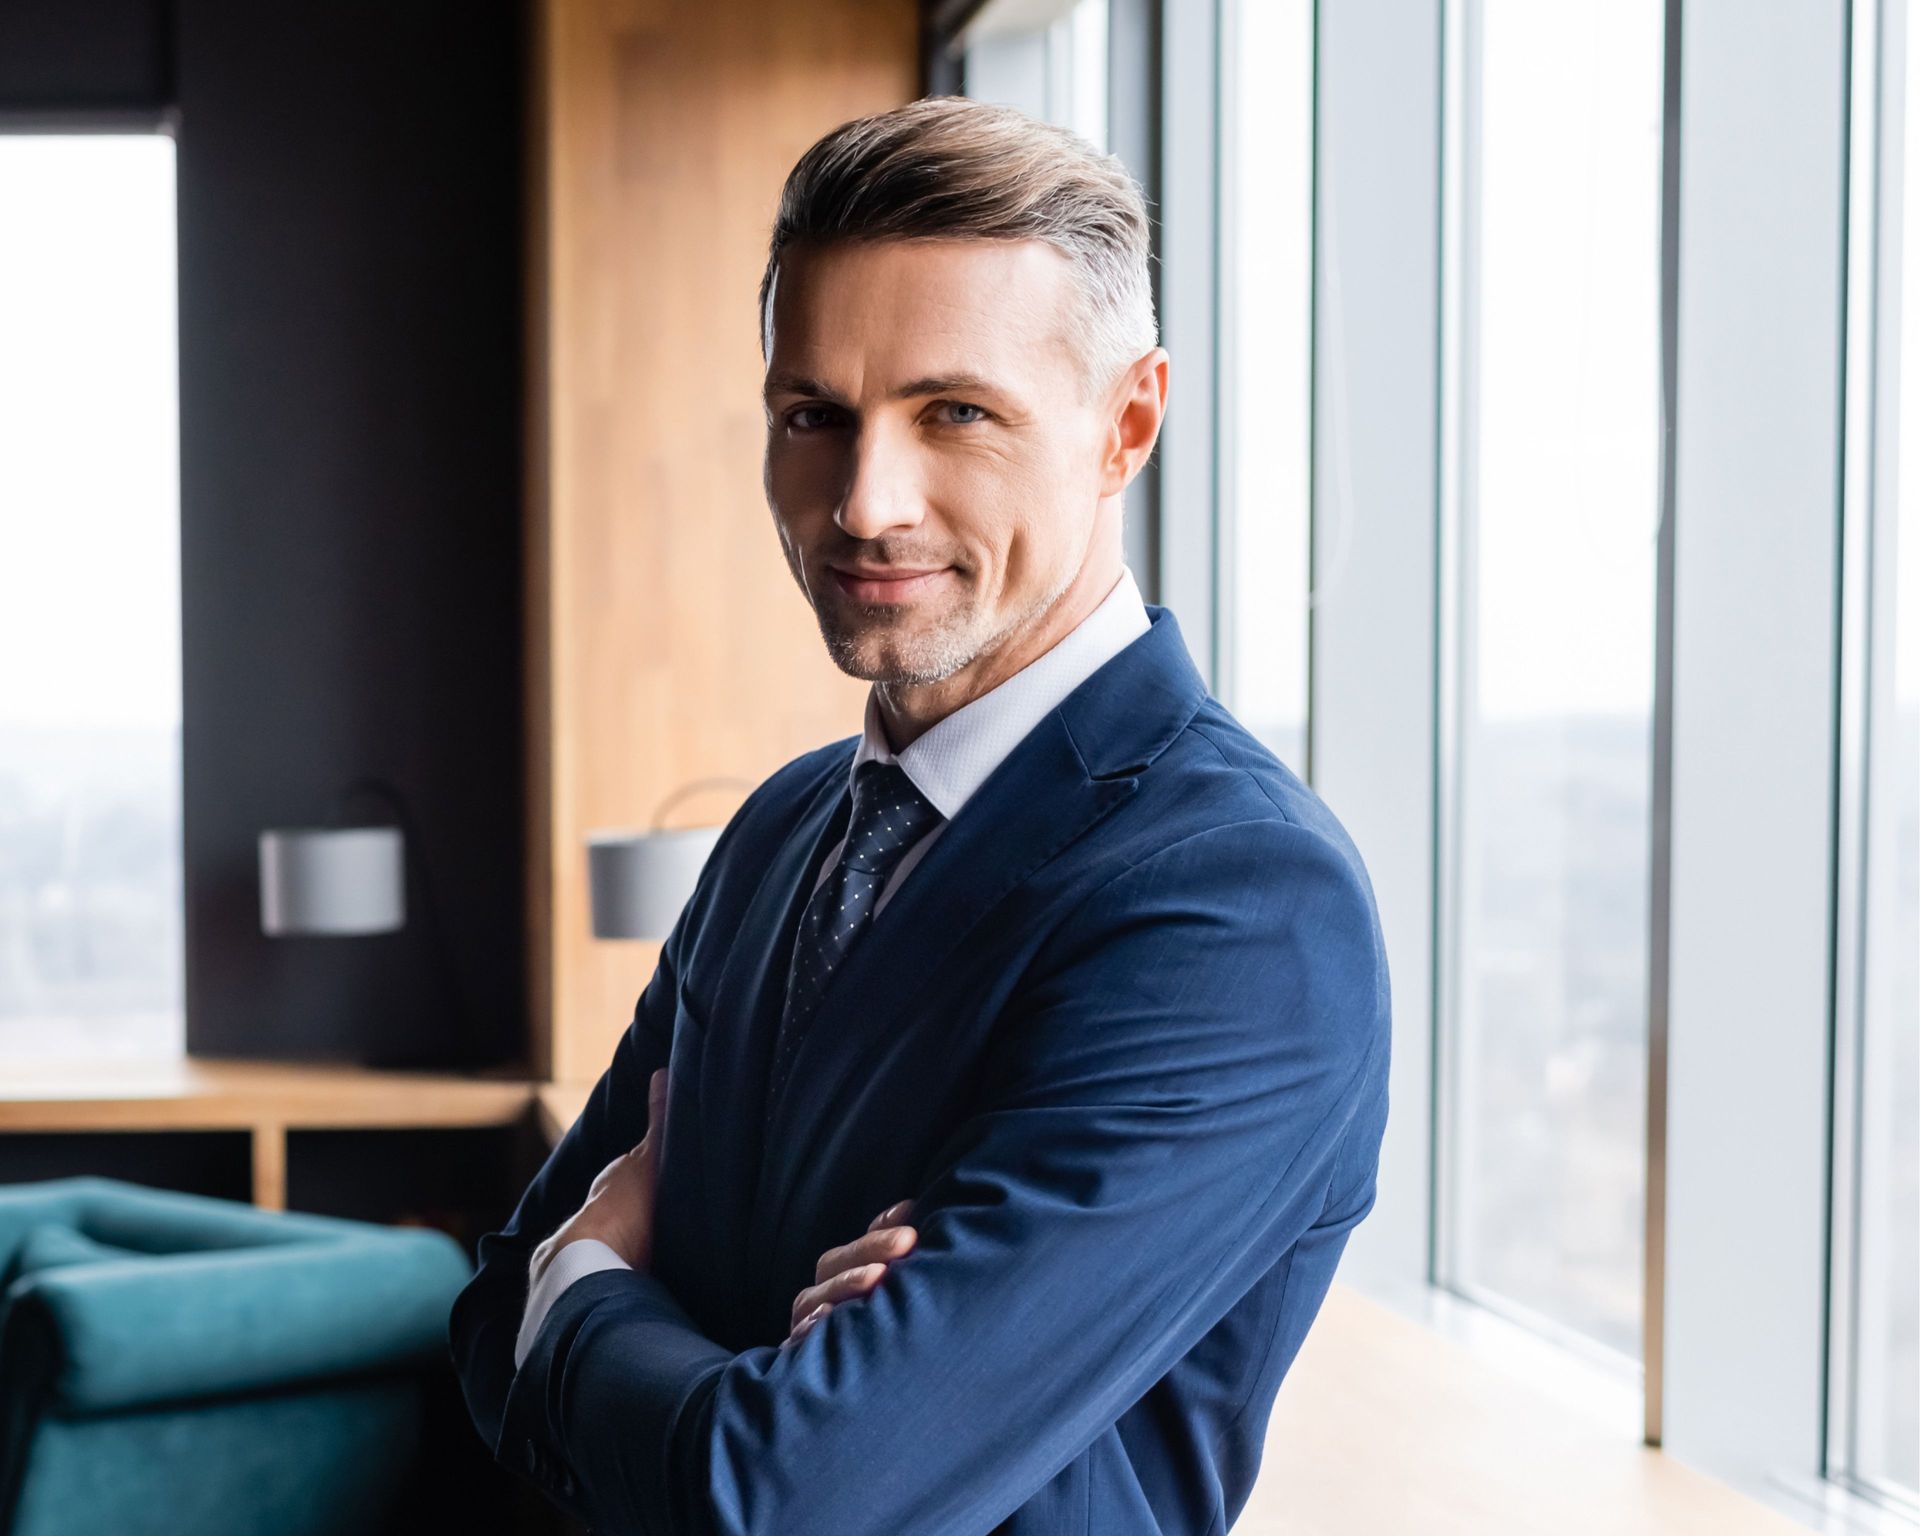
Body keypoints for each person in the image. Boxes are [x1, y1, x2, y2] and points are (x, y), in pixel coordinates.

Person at [449, 94, 1391, 1536]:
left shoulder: (1242, 904)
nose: (866, 502)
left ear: (1125, 423)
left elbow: (794, 1490)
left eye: (956, 413)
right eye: (813, 417)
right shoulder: (780, 833)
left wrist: (591, 1290)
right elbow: (482, 1333)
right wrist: (709, 1355)